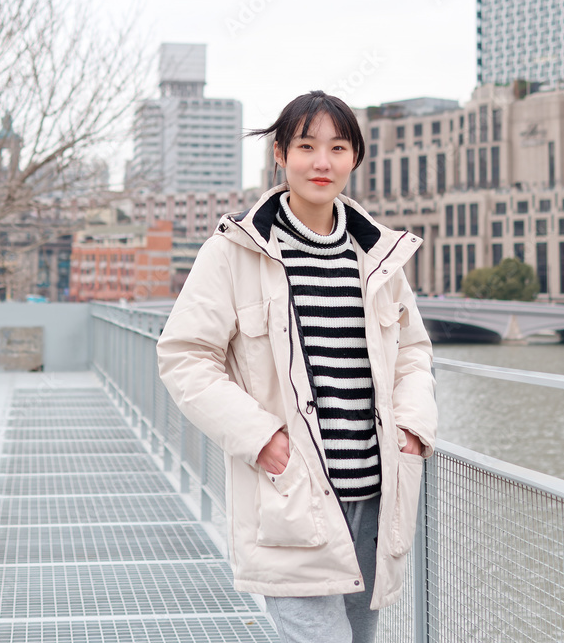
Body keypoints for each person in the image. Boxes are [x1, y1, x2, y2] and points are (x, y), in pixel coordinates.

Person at [156, 90, 437, 643]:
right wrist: (262, 438)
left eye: (337, 147)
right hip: (293, 494)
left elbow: (413, 351)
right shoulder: (237, 250)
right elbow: (185, 355)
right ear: (280, 154)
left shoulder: (379, 254)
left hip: (376, 494)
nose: (322, 162)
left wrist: (410, 429)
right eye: (306, 146)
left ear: (355, 158)